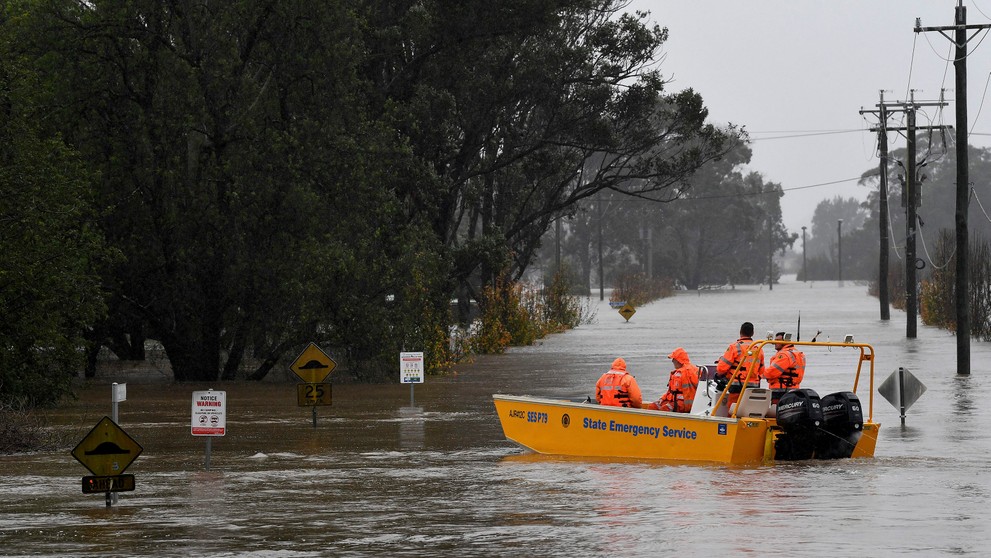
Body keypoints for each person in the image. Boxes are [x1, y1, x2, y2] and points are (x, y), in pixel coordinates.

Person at [715, 321, 765, 404]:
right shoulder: (758, 349)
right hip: (753, 386)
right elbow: (762, 371)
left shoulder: (735, 347)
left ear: (740, 332)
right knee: (749, 409)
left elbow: (721, 368)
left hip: (737, 385)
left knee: (733, 409)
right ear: (752, 333)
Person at [644, 347, 700, 413]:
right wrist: (662, 398)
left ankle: (663, 423)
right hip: (674, 401)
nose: (672, 361)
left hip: (683, 404)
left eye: (674, 359)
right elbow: (670, 391)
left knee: (665, 409)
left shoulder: (691, 371)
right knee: (652, 406)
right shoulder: (676, 373)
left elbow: (701, 387)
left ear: (678, 360)